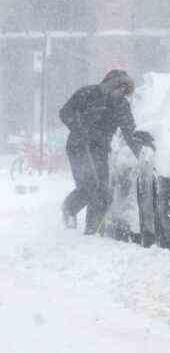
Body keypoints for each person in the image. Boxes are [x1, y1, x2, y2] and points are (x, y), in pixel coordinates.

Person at [60, 70, 143, 235]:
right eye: (118, 87)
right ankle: (69, 209)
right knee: (89, 186)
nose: (121, 92)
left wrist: (140, 153)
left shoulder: (121, 105)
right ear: (109, 84)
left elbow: (129, 131)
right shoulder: (87, 93)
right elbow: (64, 112)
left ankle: (93, 229)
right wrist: (79, 127)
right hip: (78, 146)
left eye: (124, 90)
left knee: (103, 191)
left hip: (100, 149)